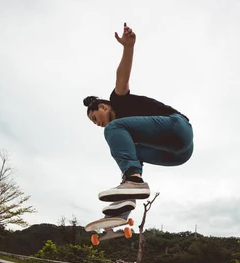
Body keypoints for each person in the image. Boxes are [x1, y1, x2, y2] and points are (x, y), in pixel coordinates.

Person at [83, 22, 194, 217]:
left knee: (113, 130)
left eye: (95, 117)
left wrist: (128, 47)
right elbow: (128, 159)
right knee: (131, 157)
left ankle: (133, 183)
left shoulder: (118, 100)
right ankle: (123, 207)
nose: (96, 123)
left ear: (103, 106)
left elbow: (122, 77)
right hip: (179, 155)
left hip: (177, 126)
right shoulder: (124, 134)